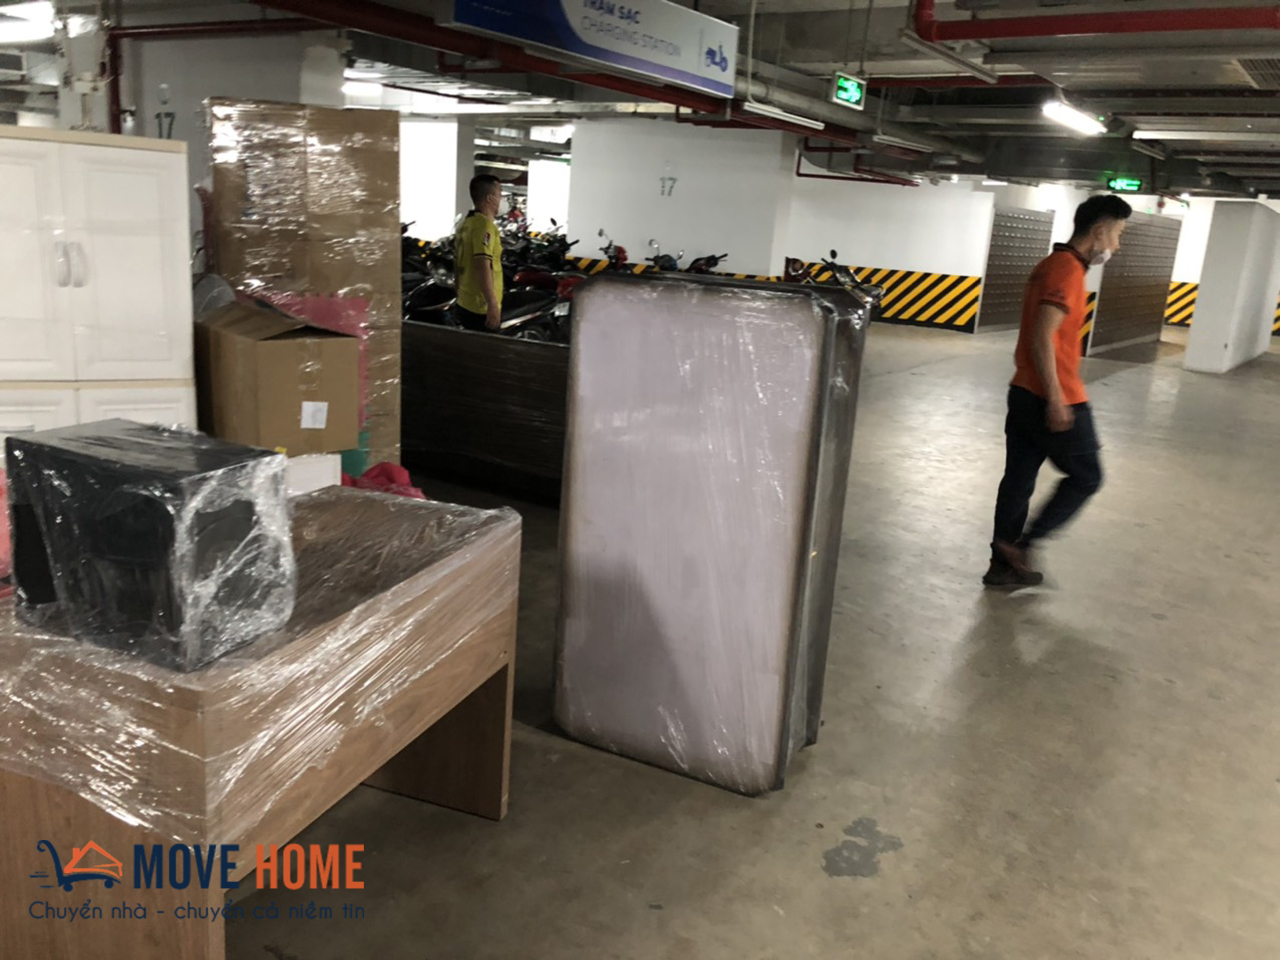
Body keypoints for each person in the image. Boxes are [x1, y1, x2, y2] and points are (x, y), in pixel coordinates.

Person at [985, 194, 1132, 587]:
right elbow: (1041, 337)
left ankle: (1002, 564)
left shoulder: (1051, 264)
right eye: (1117, 234)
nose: (1117, 244)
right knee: (1087, 477)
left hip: (1022, 391)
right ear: (1099, 231)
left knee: (1018, 479)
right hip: (1054, 394)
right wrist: (1055, 398)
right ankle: (1024, 546)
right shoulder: (1066, 271)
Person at [454, 174, 505, 332]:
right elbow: (482, 265)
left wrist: (458, 292)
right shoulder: (484, 226)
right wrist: (492, 303)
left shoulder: (467, 223)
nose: (501, 199)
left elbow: (457, 262)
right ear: (490, 198)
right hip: (480, 306)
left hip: (465, 301)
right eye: (500, 194)